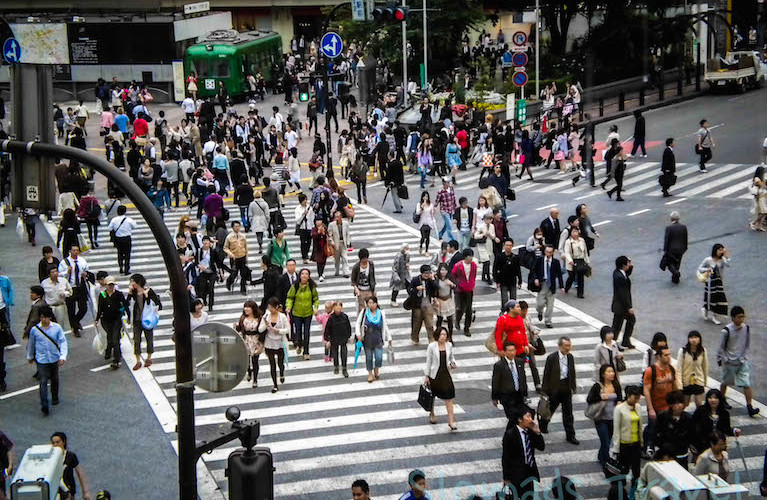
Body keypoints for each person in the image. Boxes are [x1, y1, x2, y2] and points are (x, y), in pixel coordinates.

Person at [717, 306, 759, 417]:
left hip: (741, 361)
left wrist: (744, 357)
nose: (741, 319)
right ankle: (721, 400)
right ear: (733, 318)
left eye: (742, 317)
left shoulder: (746, 328)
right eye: (739, 317)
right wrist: (725, 359)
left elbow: (747, 343)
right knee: (725, 382)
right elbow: (721, 348)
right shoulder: (726, 331)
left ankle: (749, 406)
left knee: (746, 383)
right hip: (729, 362)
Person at [26, 306, 67, 415]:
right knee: (43, 381)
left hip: (53, 357)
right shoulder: (35, 330)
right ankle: (44, 404)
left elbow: (63, 342)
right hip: (41, 359)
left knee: (54, 379)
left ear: (49, 317)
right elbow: (31, 344)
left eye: (45, 317)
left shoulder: (57, 328)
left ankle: (55, 397)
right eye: (41, 317)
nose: (43, 320)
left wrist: (63, 356)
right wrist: (30, 356)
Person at [540, 336, 579, 445]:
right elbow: (546, 374)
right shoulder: (552, 358)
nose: (568, 348)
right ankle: (543, 425)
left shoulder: (570, 357)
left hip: (566, 388)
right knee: (549, 410)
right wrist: (544, 391)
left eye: (569, 346)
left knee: (568, 413)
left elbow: (572, 372)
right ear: (560, 346)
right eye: (566, 346)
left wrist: (573, 386)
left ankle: (570, 435)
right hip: (554, 389)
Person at [642, 346, 679, 455]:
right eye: (665, 355)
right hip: (656, 407)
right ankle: (649, 448)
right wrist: (650, 409)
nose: (668, 357)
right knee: (652, 430)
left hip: (668, 407)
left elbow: (675, 386)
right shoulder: (651, 371)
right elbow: (646, 390)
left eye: (669, 354)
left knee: (667, 431)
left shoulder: (671, 369)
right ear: (659, 356)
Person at [502, 406, 545, 500]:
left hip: (529, 473)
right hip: (516, 475)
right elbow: (506, 458)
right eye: (528, 416)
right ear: (520, 419)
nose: (531, 419)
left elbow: (541, 447)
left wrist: (538, 433)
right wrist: (506, 478)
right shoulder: (510, 434)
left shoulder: (531, 432)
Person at [691, 389, 743, 460]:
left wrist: (734, 431)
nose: (713, 400)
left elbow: (726, 429)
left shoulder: (724, 413)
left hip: (719, 446)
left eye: (715, 398)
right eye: (710, 398)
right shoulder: (700, 411)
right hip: (702, 445)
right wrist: (692, 443)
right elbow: (692, 427)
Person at [611, 385, 644, 492]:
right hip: (624, 445)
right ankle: (621, 492)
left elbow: (640, 425)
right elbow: (616, 429)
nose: (637, 400)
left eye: (638, 397)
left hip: (636, 444)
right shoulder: (619, 409)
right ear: (628, 396)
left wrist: (642, 443)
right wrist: (616, 449)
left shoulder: (638, 407)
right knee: (623, 471)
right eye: (635, 397)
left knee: (636, 472)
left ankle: (634, 492)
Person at [587, 364, 622, 466]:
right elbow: (589, 400)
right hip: (601, 418)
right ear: (603, 374)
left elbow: (620, 397)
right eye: (609, 372)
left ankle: (600, 455)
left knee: (608, 440)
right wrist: (600, 397)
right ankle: (605, 462)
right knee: (605, 441)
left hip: (613, 418)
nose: (612, 374)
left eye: (612, 372)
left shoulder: (616, 385)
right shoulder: (597, 386)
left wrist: (619, 402)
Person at [424, 327, 457, 430]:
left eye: (445, 335)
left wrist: (453, 363)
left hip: (445, 374)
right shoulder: (431, 346)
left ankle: (451, 421)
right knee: (432, 396)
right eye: (442, 334)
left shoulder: (449, 345)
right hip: (434, 375)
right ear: (437, 335)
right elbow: (428, 361)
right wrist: (426, 375)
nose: (443, 337)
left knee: (449, 397)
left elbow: (451, 357)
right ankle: (432, 413)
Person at [127, 273, 161, 371]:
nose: (132, 283)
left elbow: (157, 304)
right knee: (136, 340)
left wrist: (146, 296)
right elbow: (126, 304)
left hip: (147, 320)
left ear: (138, 282)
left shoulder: (149, 291)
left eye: (133, 281)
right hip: (137, 320)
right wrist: (129, 293)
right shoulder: (132, 292)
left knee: (149, 339)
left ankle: (149, 358)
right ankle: (138, 360)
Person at [356, 296, 393, 383]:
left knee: (379, 357)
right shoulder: (364, 312)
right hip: (367, 338)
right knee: (369, 358)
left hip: (378, 338)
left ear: (376, 304)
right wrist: (358, 334)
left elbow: (385, 326)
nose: (371, 305)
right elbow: (358, 323)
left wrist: (389, 337)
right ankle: (370, 374)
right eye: (369, 303)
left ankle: (376, 368)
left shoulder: (381, 313)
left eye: (373, 303)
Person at [95, 276, 128, 371]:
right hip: (105, 320)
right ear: (105, 285)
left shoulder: (119, 294)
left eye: (112, 285)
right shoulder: (102, 295)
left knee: (115, 338)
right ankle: (108, 351)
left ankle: (116, 359)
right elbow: (100, 307)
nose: (111, 286)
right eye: (109, 285)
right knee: (110, 336)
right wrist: (97, 319)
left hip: (116, 319)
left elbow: (125, 305)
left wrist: (129, 316)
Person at [654, 390, 694, 469]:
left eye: (681, 403)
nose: (679, 406)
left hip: (682, 454)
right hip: (667, 455)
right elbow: (658, 435)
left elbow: (691, 435)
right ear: (671, 405)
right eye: (676, 403)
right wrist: (664, 453)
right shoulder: (663, 417)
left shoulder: (688, 418)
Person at [286, 268, 319, 361]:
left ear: (309, 277)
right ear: (300, 276)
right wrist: (288, 306)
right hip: (297, 313)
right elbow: (290, 298)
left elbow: (315, 299)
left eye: (306, 274)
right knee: (298, 331)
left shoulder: (312, 287)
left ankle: (306, 352)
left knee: (307, 332)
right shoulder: (295, 287)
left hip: (308, 313)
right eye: (302, 274)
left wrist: (315, 307)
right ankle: (299, 344)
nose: (304, 276)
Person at [258, 297, 289, 393]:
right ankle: (275, 385)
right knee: (272, 364)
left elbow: (288, 329)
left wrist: (278, 330)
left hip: (280, 343)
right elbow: (260, 329)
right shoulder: (266, 316)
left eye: (271, 307)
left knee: (280, 362)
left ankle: (282, 372)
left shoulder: (282, 316)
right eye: (269, 307)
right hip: (269, 343)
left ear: (276, 307)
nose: (270, 309)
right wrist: (265, 325)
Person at [58, 245, 89, 337]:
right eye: (74, 250)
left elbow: (86, 270)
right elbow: (59, 275)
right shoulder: (64, 262)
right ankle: (75, 328)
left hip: (80, 286)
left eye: (77, 250)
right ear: (70, 251)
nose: (76, 252)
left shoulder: (82, 260)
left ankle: (76, 321)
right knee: (71, 309)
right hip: (70, 287)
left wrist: (85, 274)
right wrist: (66, 272)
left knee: (83, 308)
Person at [530, 245, 564, 329]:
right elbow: (533, 270)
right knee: (540, 304)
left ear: (553, 252)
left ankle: (548, 321)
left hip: (551, 286)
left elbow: (559, 274)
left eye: (550, 252)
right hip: (542, 284)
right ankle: (540, 312)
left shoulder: (555, 262)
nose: (548, 254)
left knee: (550, 306)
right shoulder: (540, 260)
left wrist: (562, 286)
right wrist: (536, 279)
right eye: (547, 252)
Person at [50, 432, 92, 500]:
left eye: (57, 442)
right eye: (53, 443)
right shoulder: (50, 458)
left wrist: (85, 492)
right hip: (55, 492)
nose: (55, 445)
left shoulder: (70, 456)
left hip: (69, 491)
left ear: (63, 442)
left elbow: (80, 474)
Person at [492, 341, 528, 419]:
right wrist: (494, 397)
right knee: (512, 418)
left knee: (520, 417)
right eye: (509, 350)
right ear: (504, 352)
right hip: (507, 397)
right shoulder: (499, 365)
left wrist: (525, 392)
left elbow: (522, 377)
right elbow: (495, 382)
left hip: (519, 395)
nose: (512, 352)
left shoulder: (519, 362)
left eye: (513, 350)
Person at [698, 243, 730, 325]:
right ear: (715, 250)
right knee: (711, 299)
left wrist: (726, 256)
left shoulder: (722, 260)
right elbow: (700, 268)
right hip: (710, 283)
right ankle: (705, 309)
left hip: (719, 283)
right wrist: (707, 269)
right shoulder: (708, 260)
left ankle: (715, 316)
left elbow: (728, 265)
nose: (721, 251)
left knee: (719, 299)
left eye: (722, 249)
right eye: (719, 250)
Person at [234, 301, 264, 388]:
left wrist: (261, 343)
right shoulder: (243, 318)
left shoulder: (259, 318)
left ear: (253, 308)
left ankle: (255, 379)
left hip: (256, 340)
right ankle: (249, 371)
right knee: (246, 360)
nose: (246, 309)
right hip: (246, 340)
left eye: (248, 307)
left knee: (255, 360)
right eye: (245, 307)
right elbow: (240, 328)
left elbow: (262, 330)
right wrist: (236, 327)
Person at [676, 330, 708, 408]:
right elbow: (679, 369)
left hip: (698, 380)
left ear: (699, 339)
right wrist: (679, 385)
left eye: (696, 337)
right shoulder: (683, 351)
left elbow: (705, 366)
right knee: (684, 404)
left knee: (699, 405)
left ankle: (699, 419)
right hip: (686, 381)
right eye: (691, 337)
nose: (694, 340)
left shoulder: (703, 351)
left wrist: (705, 382)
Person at [611, 255, 636, 349]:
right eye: (628, 263)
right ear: (623, 265)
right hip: (621, 306)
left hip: (621, 305)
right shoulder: (620, 277)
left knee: (628, 321)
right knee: (617, 326)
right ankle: (613, 344)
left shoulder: (619, 273)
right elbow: (623, 293)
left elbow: (627, 273)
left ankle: (625, 341)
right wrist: (629, 307)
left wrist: (630, 263)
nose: (629, 265)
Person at [408, 264, 436, 345]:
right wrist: (417, 289)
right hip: (417, 306)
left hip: (428, 306)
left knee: (429, 324)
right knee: (416, 323)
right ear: (422, 273)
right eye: (426, 273)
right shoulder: (415, 280)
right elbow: (409, 290)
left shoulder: (430, 281)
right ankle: (415, 338)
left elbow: (435, 290)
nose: (427, 275)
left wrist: (433, 280)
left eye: (429, 273)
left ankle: (431, 339)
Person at [451, 248, 477, 336]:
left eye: (472, 256)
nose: (471, 258)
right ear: (465, 257)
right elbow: (453, 275)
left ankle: (467, 328)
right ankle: (457, 320)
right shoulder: (458, 265)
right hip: (459, 290)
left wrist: (472, 284)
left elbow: (473, 276)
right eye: (470, 256)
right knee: (460, 308)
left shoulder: (474, 265)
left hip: (469, 290)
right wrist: (457, 284)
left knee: (468, 309)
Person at [107, 205, 137, 276]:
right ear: (125, 211)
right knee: (127, 254)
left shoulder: (114, 220)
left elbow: (110, 228)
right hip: (127, 238)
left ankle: (121, 268)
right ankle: (127, 269)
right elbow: (134, 226)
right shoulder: (129, 220)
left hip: (118, 238)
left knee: (120, 253)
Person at [493, 238, 522, 309]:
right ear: (504, 246)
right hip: (503, 281)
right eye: (507, 245)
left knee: (513, 299)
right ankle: (504, 311)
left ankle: (513, 313)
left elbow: (518, 269)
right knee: (504, 299)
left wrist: (520, 280)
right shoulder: (499, 257)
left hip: (512, 280)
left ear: (512, 246)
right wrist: (497, 280)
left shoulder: (515, 257)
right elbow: (495, 269)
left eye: (510, 245)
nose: (508, 247)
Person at [562, 227, 590, 298]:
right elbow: (567, 252)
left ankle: (580, 293)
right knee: (572, 276)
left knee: (580, 277)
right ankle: (567, 288)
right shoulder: (568, 242)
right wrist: (570, 260)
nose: (575, 233)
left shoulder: (582, 240)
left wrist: (587, 260)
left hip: (580, 260)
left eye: (576, 232)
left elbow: (585, 251)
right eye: (573, 232)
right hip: (572, 261)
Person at [224, 221, 249, 296]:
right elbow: (225, 248)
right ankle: (229, 281)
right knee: (234, 273)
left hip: (242, 257)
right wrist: (230, 254)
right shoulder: (229, 237)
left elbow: (245, 246)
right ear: (232, 227)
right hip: (234, 258)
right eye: (236, 226)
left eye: (238, 226)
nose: (237, 228)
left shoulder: (242, 236)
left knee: (243, 274)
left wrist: (246, 256)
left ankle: (243, 289)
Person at [433, 263, 456, 342]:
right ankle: (437, 336)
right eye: (442, 270)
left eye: (445, 270)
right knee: (439, 320)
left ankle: (450, 337)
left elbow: (456, 287)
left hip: (448, 300)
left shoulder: (450, 278)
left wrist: (452, 284)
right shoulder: (436, 279)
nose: (443, 272)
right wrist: (435, 300)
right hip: (440, 301)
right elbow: (434, 292)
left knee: (450, 320)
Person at [662, 211, 687, 284]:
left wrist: (665, 250)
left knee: (670, 263)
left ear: (671, 219)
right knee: (677, 263)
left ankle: (676, 273)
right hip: (681, 249)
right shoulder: (683, 227)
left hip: (671, 249)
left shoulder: (669, 228)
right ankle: (675, 278)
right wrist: (685, 248)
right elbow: (685, 238)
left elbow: (667, 239)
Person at [328, 211, 351, 277]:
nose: (336, 218)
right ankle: (337, 271)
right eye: (335, 217)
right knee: (336, 259)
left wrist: (348, 242)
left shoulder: (346, 223)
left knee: (345, 258)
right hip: (336, 244)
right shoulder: (331, 225)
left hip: (343, 243)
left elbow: (347, 234)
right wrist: (332, 243)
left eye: (338, 217)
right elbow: (330, 236)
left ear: (341, 217)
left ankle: (346, 272)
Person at [415, 191, 437, 257]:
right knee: (423, 237)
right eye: (424, 196)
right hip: (422, 222)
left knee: (427, 237)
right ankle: (421, 245)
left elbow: (432, 213)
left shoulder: (430, 204)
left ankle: (427, 250)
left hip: (428, 222)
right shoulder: (419, 204)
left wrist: (433, 221)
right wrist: (422, 207)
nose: (425, 198)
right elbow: (417, 212)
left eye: (427, 196)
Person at [294, 194, 314, 264]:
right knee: (303, 242)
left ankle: (306, 253)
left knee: (309, 242)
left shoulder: (309, 208)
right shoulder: (297, 209)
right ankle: (304, 256)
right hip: (302, 228)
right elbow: (298, 220)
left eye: (306, 199)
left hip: (309, 227)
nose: (305, 201)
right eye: (304, 200)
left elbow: (312, 218)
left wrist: (313, 227)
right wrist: (303, 214)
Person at [750, 165, 767, 231]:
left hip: (762, 197)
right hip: (759, 198)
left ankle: (759, 226)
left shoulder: (761, 178)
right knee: (764, 212)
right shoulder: (757, 178)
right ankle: (753, 223)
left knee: (761, 212)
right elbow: (762, 185)